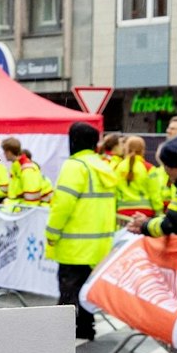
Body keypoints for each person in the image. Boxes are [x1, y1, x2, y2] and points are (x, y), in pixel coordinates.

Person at [47, 122, 117, 341]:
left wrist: (52, 233)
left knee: (68, 291)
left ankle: (62, 331)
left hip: (74, 245)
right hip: (98, 245)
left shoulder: (75, 166)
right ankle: (86, 327)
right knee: (87, 291)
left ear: (73, 141)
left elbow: (62, 206)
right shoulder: (103, 166)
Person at [114, 135, 167, 222]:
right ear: (143, 150)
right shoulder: (149, 168)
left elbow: (114, 192)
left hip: (122, 213)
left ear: (126, 149)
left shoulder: (117, 168)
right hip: (145, 213)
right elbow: (154, 193)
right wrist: (159, 212)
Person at [0, 136, 52, 205]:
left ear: (9, 152)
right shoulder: (17, 167)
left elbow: (31, 201)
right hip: (29, 209)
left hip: (37, 210)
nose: (4, 154)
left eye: (5, 152)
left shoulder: (27, 169)